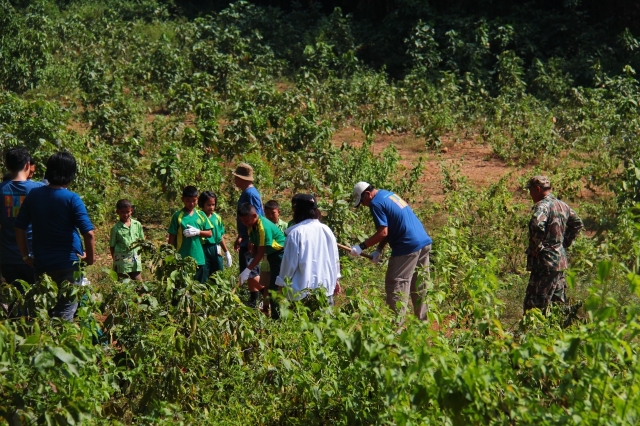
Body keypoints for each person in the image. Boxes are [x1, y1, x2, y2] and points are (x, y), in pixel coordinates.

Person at [15, 151, 95, 321]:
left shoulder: (34, 195)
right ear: (71, 174)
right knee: (65, 313)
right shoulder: (72, 198)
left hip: (42, 264)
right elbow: (88, 233)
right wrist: (90, 258)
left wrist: (25, 255)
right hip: (69, 263)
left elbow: (19, 226)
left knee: (45, 310)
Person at [350, 182, 432, 323]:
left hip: (407, 246)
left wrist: (361, 246)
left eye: (362, 201)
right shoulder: (387, 194)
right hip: (423, 242)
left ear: (367, 194)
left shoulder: (375, 203)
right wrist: (378, 250)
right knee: (420, 283)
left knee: (396, 285)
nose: (363, 205)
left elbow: (383, 232)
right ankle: (423, 324)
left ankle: (395, 329)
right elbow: (390, 227)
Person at [524, 175, 584, 312]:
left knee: (534, 305)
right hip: (559, 261)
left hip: (545, 263)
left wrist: (536, 247)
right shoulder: (563, 205)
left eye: (530, 190)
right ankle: (560, 325)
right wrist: (562, 244)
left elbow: (537, 224)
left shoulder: (542, 206)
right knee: (557, 304)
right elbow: (577, 224)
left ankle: (535, 326)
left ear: (537, 189)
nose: (530, 194)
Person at [0, 148, 45, 315]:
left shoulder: (1, 190)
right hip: (34, 256)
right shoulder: (40, 190)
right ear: (27, 165)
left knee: (14, 302)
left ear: (7, 166)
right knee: (35, 303)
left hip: (7, 258)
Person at [276, 194, 341, 305]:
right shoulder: (327, 230)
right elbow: (334, 259)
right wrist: (335, 279)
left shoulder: (296, 233)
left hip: (302, 295)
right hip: (325, 291)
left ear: (297, 211)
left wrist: (281, 285)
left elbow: (289, 264)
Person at [237, 202, 285, 319]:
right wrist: (251, 255)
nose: (245, 223)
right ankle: (273, 313)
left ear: (254, 216)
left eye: (246, 221)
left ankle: (277, 318)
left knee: (274, 287)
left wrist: (248, 270)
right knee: (271, 286)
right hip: (271, 255)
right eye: (242, 221)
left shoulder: (263, 227)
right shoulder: (251, 226)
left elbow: (261, 252)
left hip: (280, 255)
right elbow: (255, 248)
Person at [232, 163, 264, 307]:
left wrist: (252, 238)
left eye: (236, 177)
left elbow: (256, 217)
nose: (234, 180)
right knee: (250, 271)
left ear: (242, 179)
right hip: (246, 237)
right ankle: (253, 301)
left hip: (251, 239)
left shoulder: (250, 194)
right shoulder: (247, 192)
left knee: (250, 271)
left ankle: (270, 298)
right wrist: (241, 235)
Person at [167, 186, 213, 284]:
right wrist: (169, 256)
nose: (191, 204)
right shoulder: (177, 216)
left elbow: (209, 233)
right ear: (182, 199)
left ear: (197, 199)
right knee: (183, 287)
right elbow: (171, 239)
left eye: (194, 201)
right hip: (182, 259)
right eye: (188, 201)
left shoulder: (201, 215)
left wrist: (198, 232)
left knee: (198, 287)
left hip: (199, 259)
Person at [198, 191, 232, 280]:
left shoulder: (217, 217)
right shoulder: (198, 216)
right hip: (203, 248)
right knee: (203, 273)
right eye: (208, 205)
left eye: (213, 205)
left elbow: (220, 236)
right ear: (202, 204)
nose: (211, 207)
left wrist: (226, 252)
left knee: (218, 274)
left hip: (216, 248)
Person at [109, 199, 145, 281]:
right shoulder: (115, 229)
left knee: (139, 282)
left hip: (135, 259)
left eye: (127, 212)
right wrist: (116, 261)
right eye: (122, 212)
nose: (125, 214)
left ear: (131, 211)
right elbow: (112, 246)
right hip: (121, 262)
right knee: (123, 283)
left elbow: (142, 241)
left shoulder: (137, 224)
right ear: (117, 212)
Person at [259, 200, 288, 297]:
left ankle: (277, 304)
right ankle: (266, 305)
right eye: (267, 214)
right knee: (267, 286)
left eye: (273, 213)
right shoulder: (263, 226)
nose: (270, 216)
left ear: (279, 212)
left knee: (278, 287)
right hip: (266, 262)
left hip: (280, 261)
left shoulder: (285, 226)